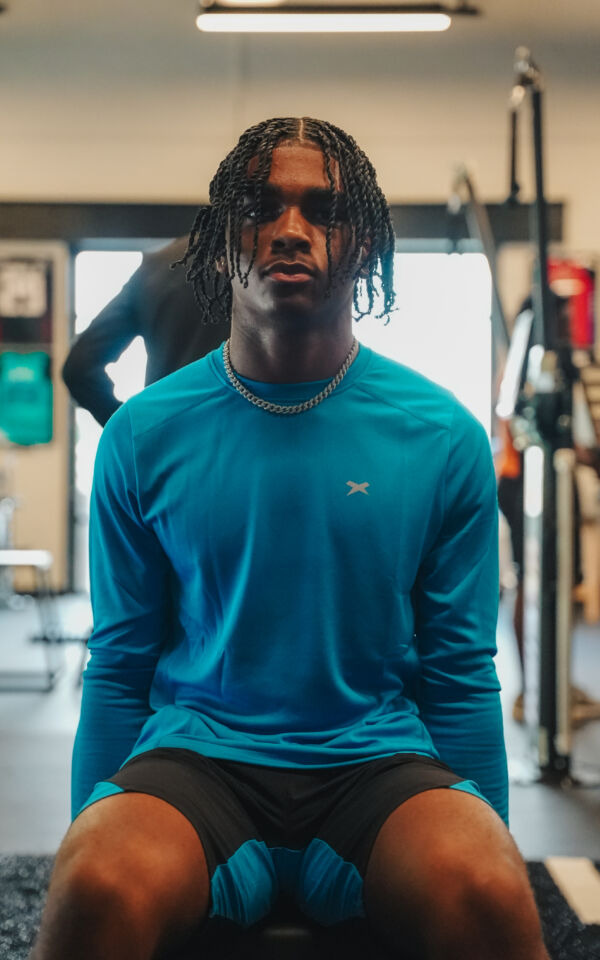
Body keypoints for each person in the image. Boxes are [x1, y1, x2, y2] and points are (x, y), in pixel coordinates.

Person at [30, 117, 550, 960]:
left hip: (376, 762)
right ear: (220, 233)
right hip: (199, 762)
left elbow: (460, 672)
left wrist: (483, 830)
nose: (291, 229)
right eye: (261, 206)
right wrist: (96, 824)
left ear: (366, 241)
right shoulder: (142, 437)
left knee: (487, 888)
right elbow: (120, 661)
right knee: (95, 884)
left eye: (324, 210)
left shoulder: (440, 437)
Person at [62, 236, 230, 427]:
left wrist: (131, 430)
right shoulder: (256, 266)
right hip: (243, 437)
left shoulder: (157, 266)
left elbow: (79, 367)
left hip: (167, 437)